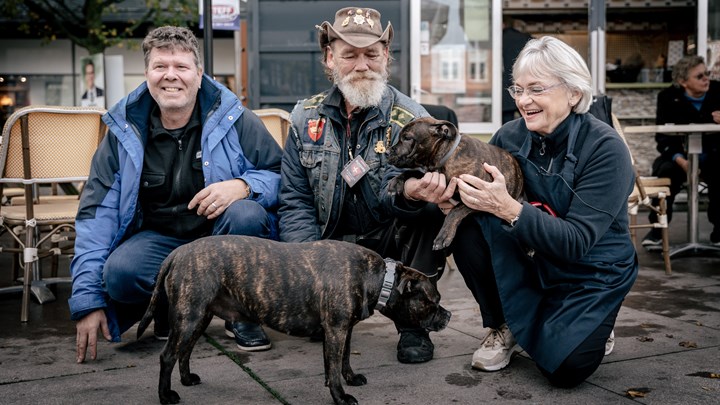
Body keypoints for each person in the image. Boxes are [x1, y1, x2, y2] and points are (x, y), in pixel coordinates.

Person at [69, 26, 283, 363]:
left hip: (220, 236)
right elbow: (97, 216)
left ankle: (240, 312)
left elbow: (281, 176)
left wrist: (243, 186)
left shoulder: (237, 119)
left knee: (247, 214)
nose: (171, 76)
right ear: (147, 74)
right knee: (120, 274)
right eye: (160, 66)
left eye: (182, 67)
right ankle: (168, 307)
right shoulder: (122, 132)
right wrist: (88, 301)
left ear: (199, 74)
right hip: (160, 240)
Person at [441, 36, 638, 387]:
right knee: (464, 225)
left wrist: (506, 206)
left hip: (591, 270)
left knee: (564, 369)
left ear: (574, 93)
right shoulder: (508, 136)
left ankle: (597, 319)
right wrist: (451, 198)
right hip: (534, 257)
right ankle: (504, 325)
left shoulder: (606, 149)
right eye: (517, 89)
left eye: (536, 89)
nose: (523, 101)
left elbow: (577, 241)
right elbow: (482, 201)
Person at [277, 6, 448, 364]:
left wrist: (410, 192)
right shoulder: (303, 117)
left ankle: (413, 322)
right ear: (329, 57)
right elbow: (295, 200)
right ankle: (321, 305)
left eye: (371, 54)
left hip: (388, 236)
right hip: (329, 242)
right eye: (349, 55)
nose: (361, 65)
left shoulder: (413, 119)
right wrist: (309, 269)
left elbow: (401, 186)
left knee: (428, 210)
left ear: (385, 56)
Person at [641, 55, 720, 248]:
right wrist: (681, 160)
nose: (706, 79)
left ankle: (719, 230)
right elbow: (662, 137)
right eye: (699, 76)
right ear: (683, 82)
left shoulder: (718, 91)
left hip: (714, 154)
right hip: (679, 155)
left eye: (707, 73)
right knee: (665, 171)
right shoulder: (668, 97)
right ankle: (658, 230)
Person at [502, 16, 532, 124]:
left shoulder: (499, 40)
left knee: (507, 123)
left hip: (505, 89)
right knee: (530, 117)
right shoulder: (526, 38)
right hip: (525, 83)